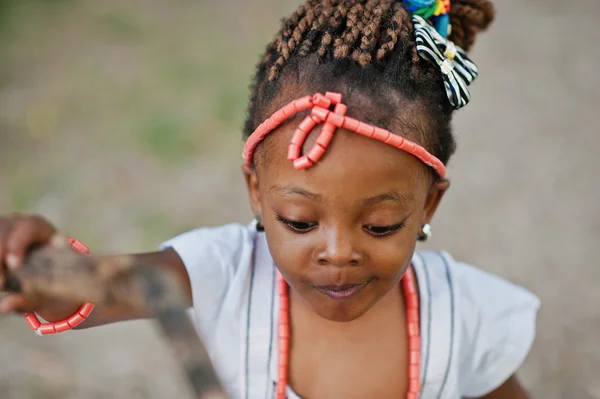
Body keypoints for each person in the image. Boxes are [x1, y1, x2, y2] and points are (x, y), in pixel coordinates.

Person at [0, 0, 541, 398]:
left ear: (427, 207)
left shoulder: (466, 315)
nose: (337, 252)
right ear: (256, 193)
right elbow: (101, 286)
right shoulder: (226, 272)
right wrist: (35, 269)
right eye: (300, 221)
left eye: (379, 226)